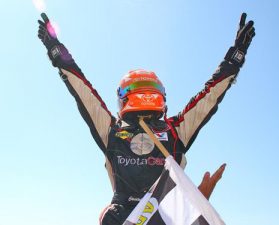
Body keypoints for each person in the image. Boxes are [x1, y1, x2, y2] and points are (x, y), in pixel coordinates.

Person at [37, 12, 255, 225]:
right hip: (148, 215)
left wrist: (56, 50)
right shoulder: (174, 130)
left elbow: (82, 90)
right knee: (109, 215)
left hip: (155, 214)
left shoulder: (117, 129)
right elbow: (210, 95)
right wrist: (236, 55)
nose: (145, 93)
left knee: (109, 215)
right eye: (141, 88)